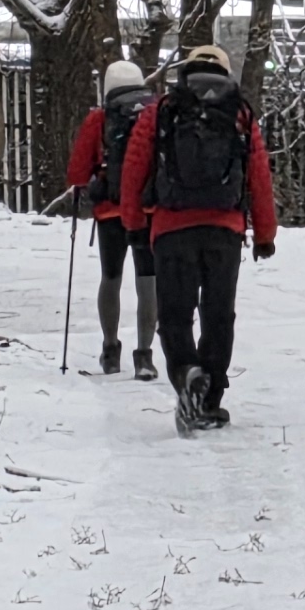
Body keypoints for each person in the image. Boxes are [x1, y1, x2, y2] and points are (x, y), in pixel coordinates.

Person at [118, 44, 275, 434]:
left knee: (175, 313)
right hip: (225, 230)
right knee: (218, 314)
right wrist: (265, 234)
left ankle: (187, 370)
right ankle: (210, 398)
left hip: (172, 228)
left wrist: (133, 222)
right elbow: (258, 174)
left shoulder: (162, 110)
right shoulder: (239, 113)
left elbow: (134, 168)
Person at [65, 59, 158, 379]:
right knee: (148, 281)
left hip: (110, 211)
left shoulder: (99, 119)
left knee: (111, 277)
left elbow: (77, 173)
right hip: (146, 211)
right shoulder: (155, 115)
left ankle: (110, 350)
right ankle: (144, 356)